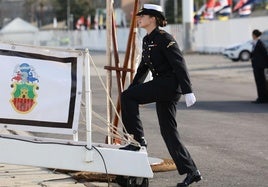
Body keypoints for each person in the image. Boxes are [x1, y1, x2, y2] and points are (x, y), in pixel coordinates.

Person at [119, 4, 202, 187]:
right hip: (161, 85)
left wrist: (188, 91)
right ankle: (192, 171)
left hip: (169, 85)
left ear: (153, 18)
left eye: (143, 15)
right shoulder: (147, 39)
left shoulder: (165, 38)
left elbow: (179, 64)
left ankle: (137, 140)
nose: (139, 18)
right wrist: (134, 88)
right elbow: (143, 68)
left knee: (126, 97)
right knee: (168, 132)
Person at [251, 29, 268, 104]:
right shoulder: (256, 43)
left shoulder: (260, 43)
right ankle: (261, 97)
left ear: (254, 35)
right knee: (259, 82)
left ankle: (262, 98)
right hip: (257, 66)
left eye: (252, 35)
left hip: (260, 67)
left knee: (261, 83)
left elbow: (265, 54)